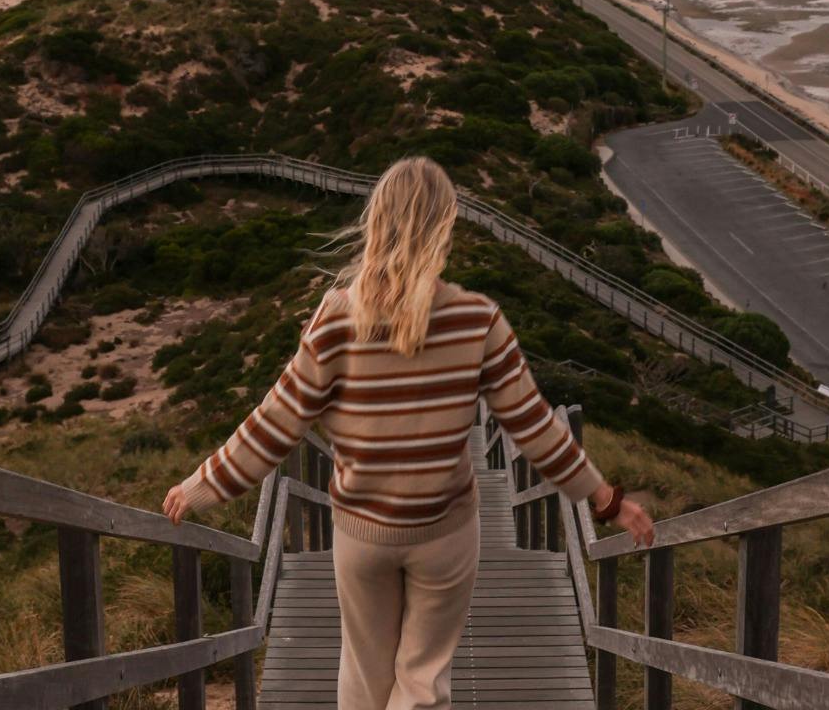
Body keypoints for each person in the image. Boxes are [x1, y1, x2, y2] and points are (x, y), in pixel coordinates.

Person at [164, 156, 654, 710]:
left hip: (362, 532)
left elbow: (276, 421)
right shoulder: (478, 320)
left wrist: (200, 484)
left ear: (377, 224)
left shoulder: (334, 319)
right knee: (422, 683)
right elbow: (534, 425)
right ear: (444, 228)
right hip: (444, 531)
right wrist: (607, 500)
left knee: (364, 676)